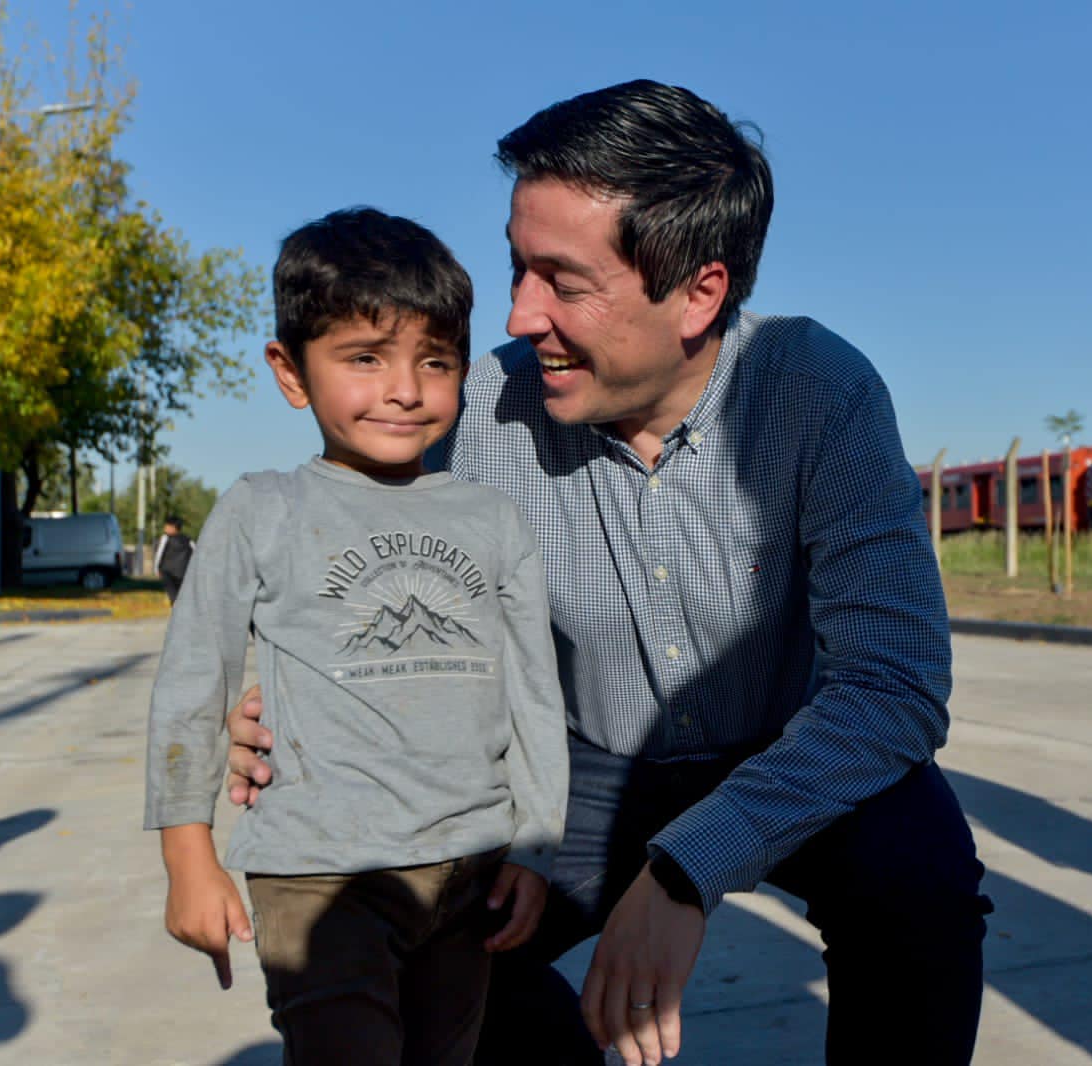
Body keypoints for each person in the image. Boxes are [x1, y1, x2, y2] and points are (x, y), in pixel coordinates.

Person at [228, 82, 988, 1066]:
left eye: (562, 281)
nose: (518, 312)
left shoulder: (819, 394)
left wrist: (685, 871)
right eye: (516, 267)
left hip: (794, 749)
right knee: (431, 922)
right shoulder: (477, 415)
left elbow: (892, 688)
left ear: (699, 293)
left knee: (921, 878)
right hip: (582, 764)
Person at [145, 207, 567, 1065]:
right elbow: (196, 680)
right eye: (364, 358)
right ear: (291, 371)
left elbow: (532, 691)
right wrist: (187, 854)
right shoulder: (263, 509)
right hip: (317, 876)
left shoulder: (492, 517)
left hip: (470, 870)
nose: (404, 389)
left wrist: (535, 844)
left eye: (435, 361)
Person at [152, 515, 192, 605]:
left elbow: (159, 553)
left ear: (173, 527)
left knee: (173, 596)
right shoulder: (188, 539)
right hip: (183, 573)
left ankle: (176, 612)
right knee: (180, 596)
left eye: (167, 525)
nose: (165, 528)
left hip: (167, 572)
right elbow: (196, 553)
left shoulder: (165, 538)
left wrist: (156, 569)